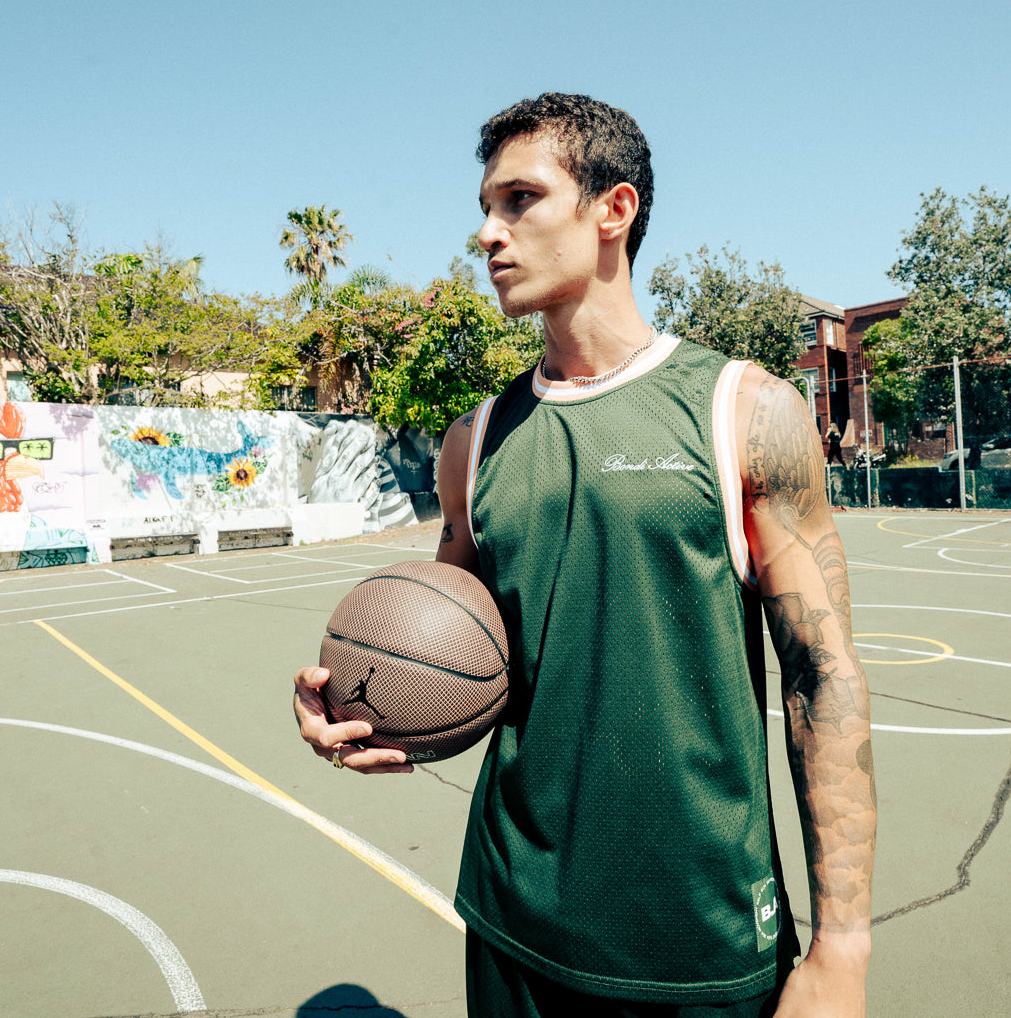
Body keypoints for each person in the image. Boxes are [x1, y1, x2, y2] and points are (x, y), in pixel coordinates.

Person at [294, 93, 875, 1017]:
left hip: (702, 931)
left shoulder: (745, 410)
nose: (487, 233)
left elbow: (821, 674)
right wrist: (352, 700)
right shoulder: (474, 440)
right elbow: (442, 631)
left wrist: (844, 942)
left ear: (615, 210)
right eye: (485, 206)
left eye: (519, 199)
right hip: (513, 914)